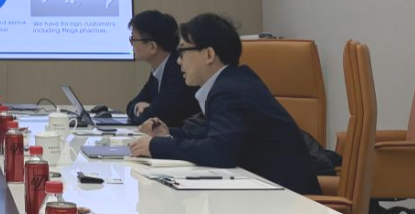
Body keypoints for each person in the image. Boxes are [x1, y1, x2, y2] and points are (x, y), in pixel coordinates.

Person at [130, 13, 321, 195]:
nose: (179, 61)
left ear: (209, 55)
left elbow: (220, 150)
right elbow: (211, 136)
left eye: (183, 52)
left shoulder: (230, 91)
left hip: (288, 201)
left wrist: (157, 146)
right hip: (266, 192)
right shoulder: (232, 82)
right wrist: (168, 134)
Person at [124, 10, 201, 127]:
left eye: (133, 39)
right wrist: (138, 107)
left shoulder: (179, 71)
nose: (131, 44)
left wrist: (148, 110)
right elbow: (131, 105)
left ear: (152, 46)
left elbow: (151, 117)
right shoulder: (159, 69)